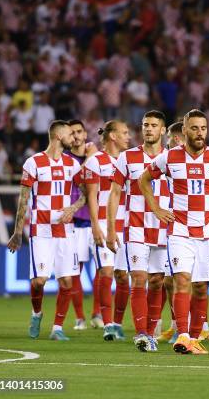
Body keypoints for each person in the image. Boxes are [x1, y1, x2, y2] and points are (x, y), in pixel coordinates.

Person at [140, 109, 209, 355]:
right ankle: (183, 335)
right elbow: (144, 180)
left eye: (203, 128)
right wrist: (156, 208)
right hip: (179, 230)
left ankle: (195, 337)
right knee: (181, 281)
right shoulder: (169, 157)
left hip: (208, 232)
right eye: (194, 128)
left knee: (201, 286)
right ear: (184, 130)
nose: (199, 133)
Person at [7, 120, 85, 341]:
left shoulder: (73, 165)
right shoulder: (34, 163)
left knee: (67, 281)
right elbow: (24, 199)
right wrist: (17, 232)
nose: (75, 138)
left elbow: (86, 194)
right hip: (41, 230)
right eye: (71, 134)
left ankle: (57, 328)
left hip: (65, 230)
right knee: (39, 281)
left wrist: (74, 207)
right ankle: (36, 313)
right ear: (59, 137)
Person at [106, 110, 170, 351]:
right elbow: (114, 194)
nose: (149, 129)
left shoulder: (172, 157)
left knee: (156, 282)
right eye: (145, 125)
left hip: (164, 228)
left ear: (163, 130)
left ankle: (151, 331)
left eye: (154, 125)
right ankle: (142, 333)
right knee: (139, 278)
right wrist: (111, 229)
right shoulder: (127, 157)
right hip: (135, 228)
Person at [83, 120, 131, 340]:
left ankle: (119, 323)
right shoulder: (95, 161)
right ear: (112, 136)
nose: (128, 137)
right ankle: (108, 324)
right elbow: (91, 196)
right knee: (107, 272)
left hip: (127, 224)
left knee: (122, 276)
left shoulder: (128, 160)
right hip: (103, 223)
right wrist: (95, 225)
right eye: (124, 132)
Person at [65, 119, 100, 331]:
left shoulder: (98, 158)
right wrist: (90, 156)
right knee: (74, 271)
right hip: (75, 222)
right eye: (72, 133)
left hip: (97, 220)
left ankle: (97, 314)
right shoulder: (65, 160)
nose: (76, 136)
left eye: (79, 132)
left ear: (85, 134)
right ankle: (80, 318)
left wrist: (92, 156)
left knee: (102, 270)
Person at [157, 121, 184, 343]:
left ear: (175, 138)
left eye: (168, 137)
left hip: (193, 227)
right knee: (169, 280)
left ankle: (198, 326)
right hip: (171, 225)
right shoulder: (169, 160)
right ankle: (176, 325)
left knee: (191, 281)